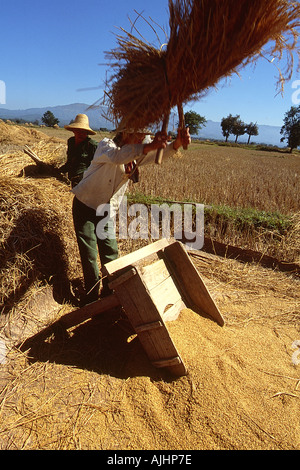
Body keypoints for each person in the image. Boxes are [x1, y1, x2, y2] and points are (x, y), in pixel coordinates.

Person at [72, 125, 191, 305]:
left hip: (105, 210)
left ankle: (110, 294)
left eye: (143, 137)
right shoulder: (106, 146)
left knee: (110, 251)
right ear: (126, 133)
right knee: (89, 253)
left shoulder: (135, 156)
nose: (141, 140)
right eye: (138, 135)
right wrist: (148, 147)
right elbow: (118, 156)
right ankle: (90, 296)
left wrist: (176, 144)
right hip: (85, 205)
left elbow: (156, 154)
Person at [60, 114, 98, 188]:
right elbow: (69, 162)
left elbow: (95, 166)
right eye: (78, 130)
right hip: (71, 178)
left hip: (84, 180)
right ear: (74, 131)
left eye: (84, 131)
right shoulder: (71, 141)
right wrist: (58, 171)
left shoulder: (92, 145)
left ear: (87, 132)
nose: (81, 133)